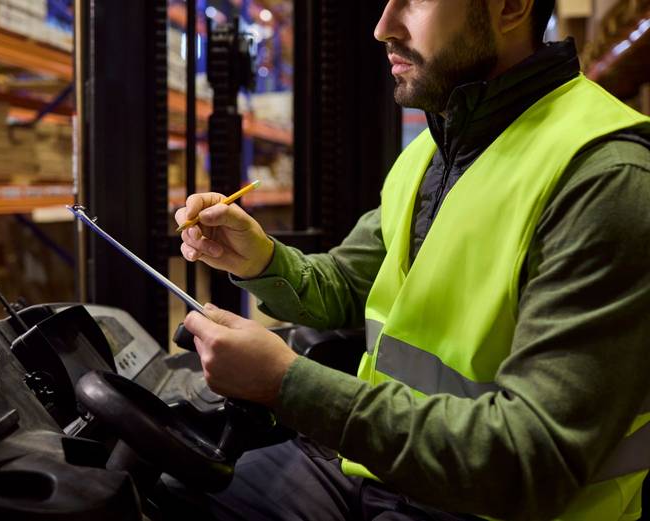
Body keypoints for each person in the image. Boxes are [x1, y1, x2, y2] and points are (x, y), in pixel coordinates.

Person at [174, 1, 650, 519]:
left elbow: (529, 460)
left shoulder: (605, 179)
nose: (383, 28)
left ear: (512, 7)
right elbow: (346, 282)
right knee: (170, 488)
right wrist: (261, 259)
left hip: (481, 507)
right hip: (374, 467)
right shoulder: (433, 150)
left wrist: (286, 383)